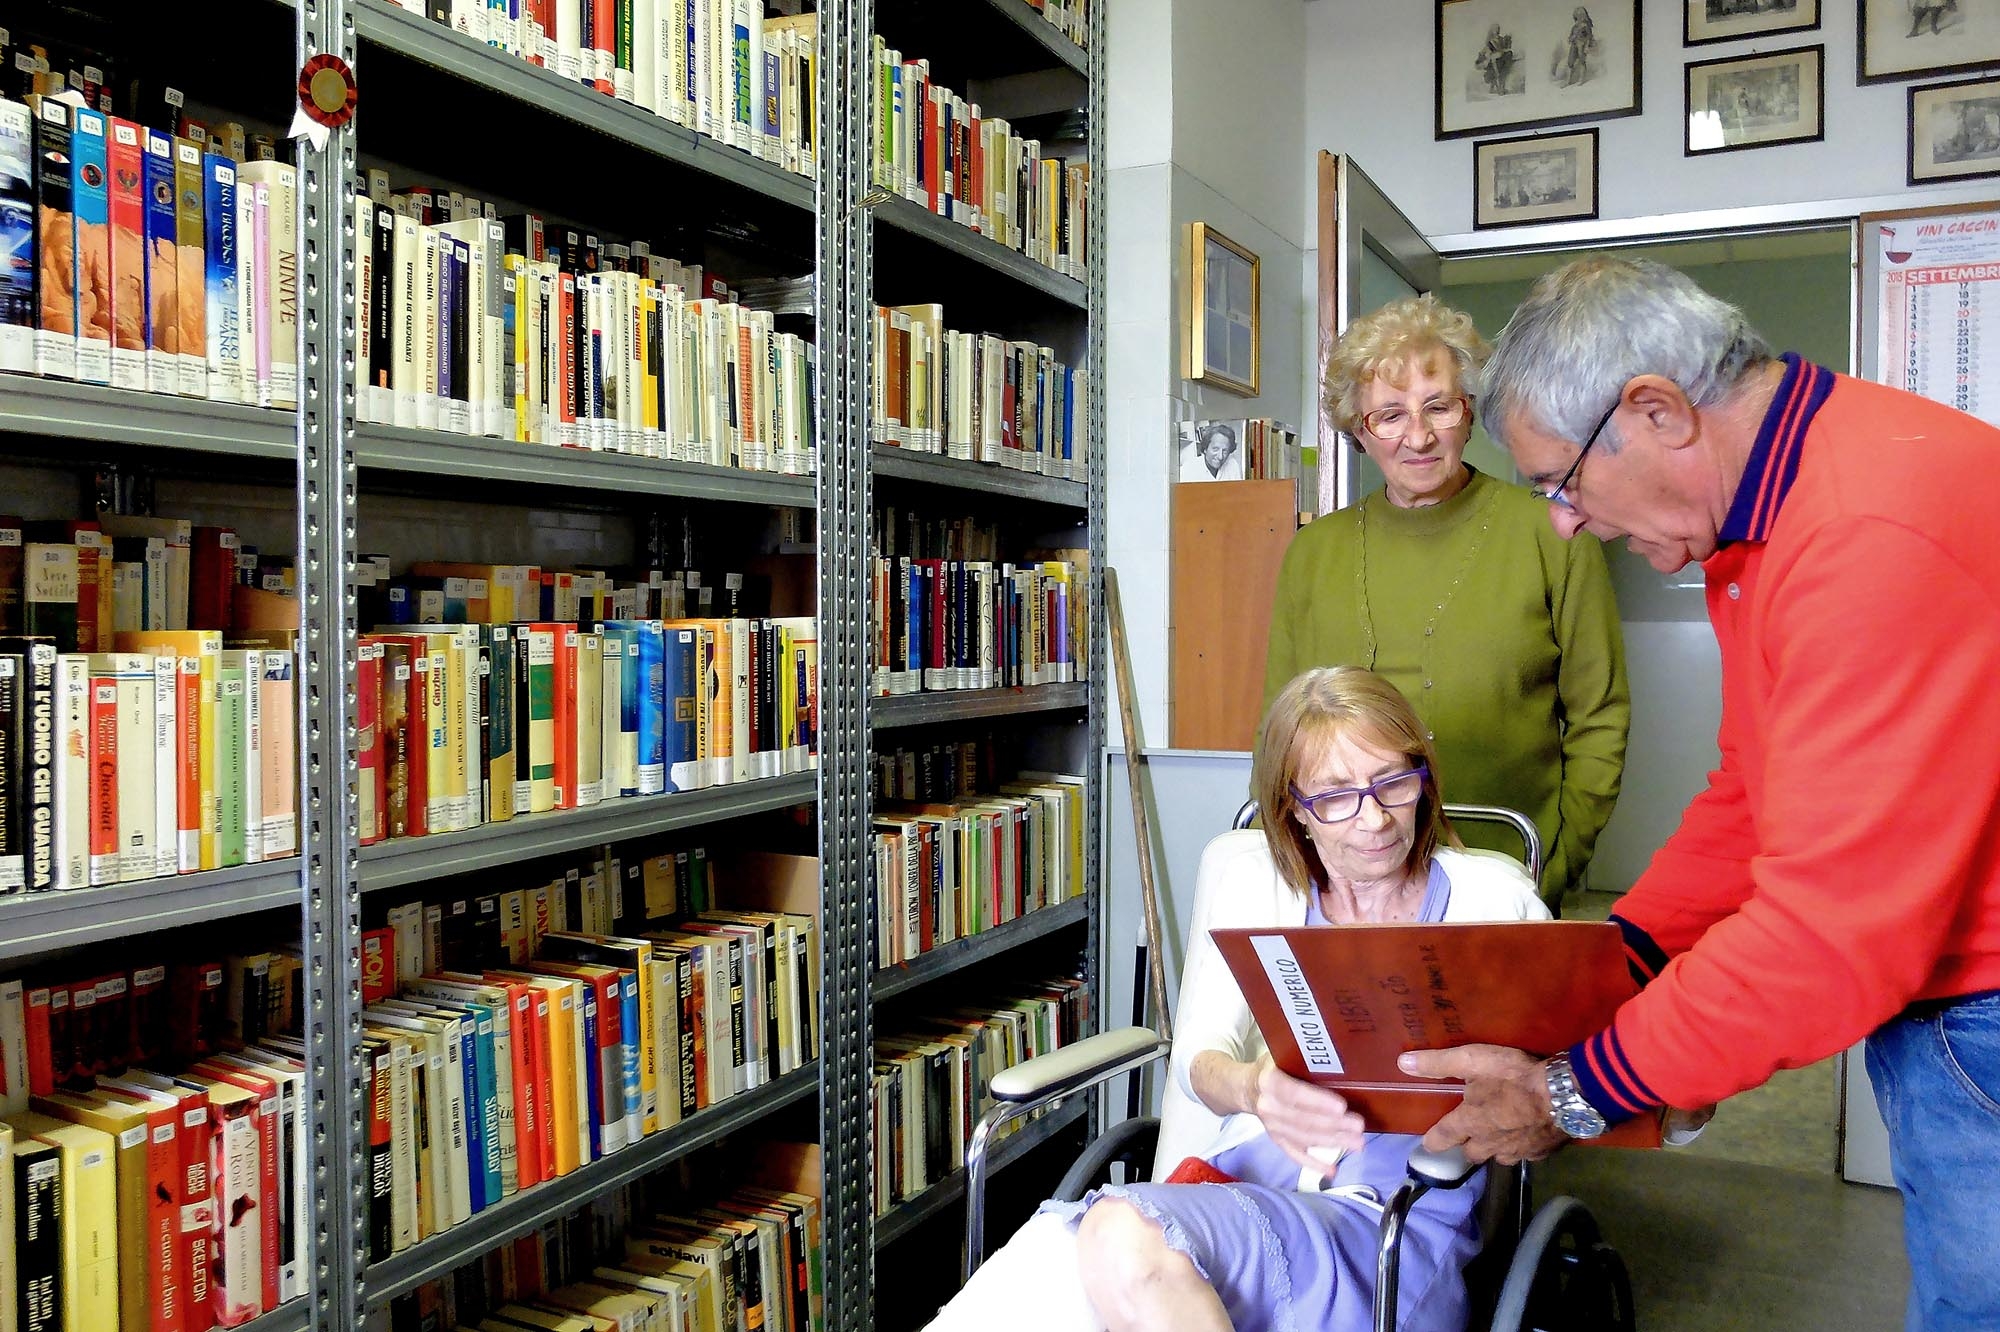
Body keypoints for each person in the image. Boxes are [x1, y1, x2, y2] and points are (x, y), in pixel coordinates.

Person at [1401, 256, 2000, 1332]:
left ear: (1655, 411)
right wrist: (1618, 959)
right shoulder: (1778, 506)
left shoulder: (1860, 533)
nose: (1562, 523)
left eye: (1558, 481)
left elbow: (1826, 935)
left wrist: (1575, 1088)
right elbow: (1748, 793)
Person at [926, 667, 1551, 1332]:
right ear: (1294, 809)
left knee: (1118, 1235)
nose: (1374, 818)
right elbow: (1201, 1058)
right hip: (1233, 1194)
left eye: (1394, 781)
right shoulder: (1260, 887)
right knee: (1023, 1285)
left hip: (1383, 1222)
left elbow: (1565, 1093)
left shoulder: (1493, 902)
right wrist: (1254, 1089)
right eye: (1336, 796)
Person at [1263, 294, 1629, 909]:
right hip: (1343, 892)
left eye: (1439, 405)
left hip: (1504, 866)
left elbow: (1600, 719)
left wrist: (1555, 865)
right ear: (1358, 429)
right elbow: (1278, 735)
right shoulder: (1313, 553)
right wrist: (1294, 870)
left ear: (1469, 413)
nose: (1419, 436)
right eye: (1389, 414)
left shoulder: (1554, 533)